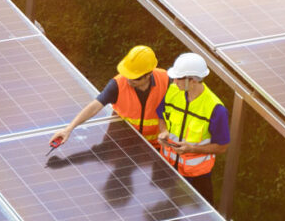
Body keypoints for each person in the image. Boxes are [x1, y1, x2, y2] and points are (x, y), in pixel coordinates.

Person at [50, 45, 168, 148]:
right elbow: (94, 106)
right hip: (121, 145)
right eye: (127, 75)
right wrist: (68, 129)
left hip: (156, 146)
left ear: (148, 74)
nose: (129, 80)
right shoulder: (117, 85)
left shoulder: (167, 81)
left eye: (134, 78)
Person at [156, 52, 229, 205]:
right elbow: (161, 115)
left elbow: (222, 147)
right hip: (166, 169)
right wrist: (163, 131)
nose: (174, 80)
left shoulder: (215, 109)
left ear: (193, 80)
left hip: (197, 178)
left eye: (178, 78)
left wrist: (192, 149)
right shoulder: (172, 91)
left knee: (200, 220)